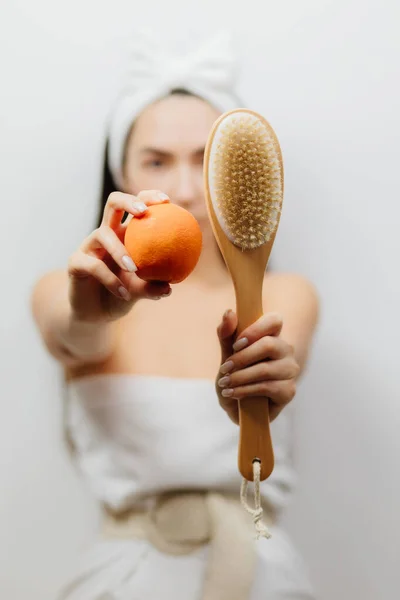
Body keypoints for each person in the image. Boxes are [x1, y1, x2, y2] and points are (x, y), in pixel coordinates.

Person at [31, 31, 319, 600]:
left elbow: (264, 392)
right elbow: (75, 336)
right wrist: (91, 314)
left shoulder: (287, 296)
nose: (185, 189)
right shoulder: (65, 291)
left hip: (264, 580)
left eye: (205, 160)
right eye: (157, 161)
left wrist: (249, 389)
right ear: (121, 176)